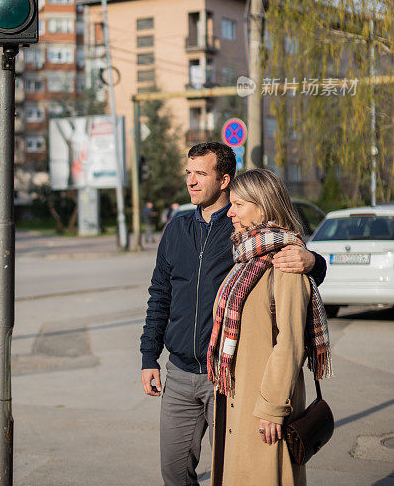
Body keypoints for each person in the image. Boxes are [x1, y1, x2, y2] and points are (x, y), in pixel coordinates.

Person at [140, 142, 326, 486]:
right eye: (188, 173)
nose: (191, 182)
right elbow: (159, 296)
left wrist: (313, 261)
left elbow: (289, 270)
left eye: (201, 173)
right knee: (174, 472)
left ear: (225, 180)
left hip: (227, 378)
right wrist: (149, 356)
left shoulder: (246, 235)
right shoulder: (177, 230)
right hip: (180, 372)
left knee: (232, 473)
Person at [207, 168, 332, 486]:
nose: (230, 212)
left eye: (239, 204)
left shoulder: (286, 262)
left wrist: (271, 408)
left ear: (263, 206)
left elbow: (290, 344)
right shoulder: (246, 259)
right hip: (239, 397)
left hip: (264, 409)